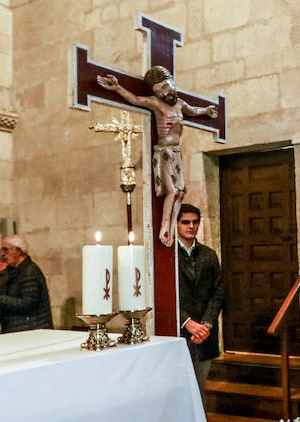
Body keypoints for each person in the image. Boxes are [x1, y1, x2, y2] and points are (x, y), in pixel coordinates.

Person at [96, 67, 218, 248]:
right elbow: (136, 100)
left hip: (176, 152)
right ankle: (164, 227)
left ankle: (172, 227)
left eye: (165, 87)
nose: (163, 93)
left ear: (172, 82)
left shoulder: (180, 104)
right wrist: (117, 88)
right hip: (164, 152)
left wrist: (206, 111)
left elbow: (194, 111)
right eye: (158, 91)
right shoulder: (156, 103)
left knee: (181, 193)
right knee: (173, 192)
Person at [176, 204, 224, 394]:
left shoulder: (209, 255)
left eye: (195, 222)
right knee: (180, 391)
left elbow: (218, 293)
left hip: (204, 335)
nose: (191, 226)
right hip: (178, 332)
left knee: (199, 389)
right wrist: (187, 323)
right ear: (176, 224)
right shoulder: (167, 257)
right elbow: (165, 296)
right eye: (185, 222)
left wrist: (205, 325)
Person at [0, 235, 53, 332]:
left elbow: (27, 304)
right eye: (1, 250)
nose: (2, 254)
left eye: (5, 250)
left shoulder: (29, 272)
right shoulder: (14, 270)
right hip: (19, 326)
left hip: (31, 328)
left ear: (18, 251)